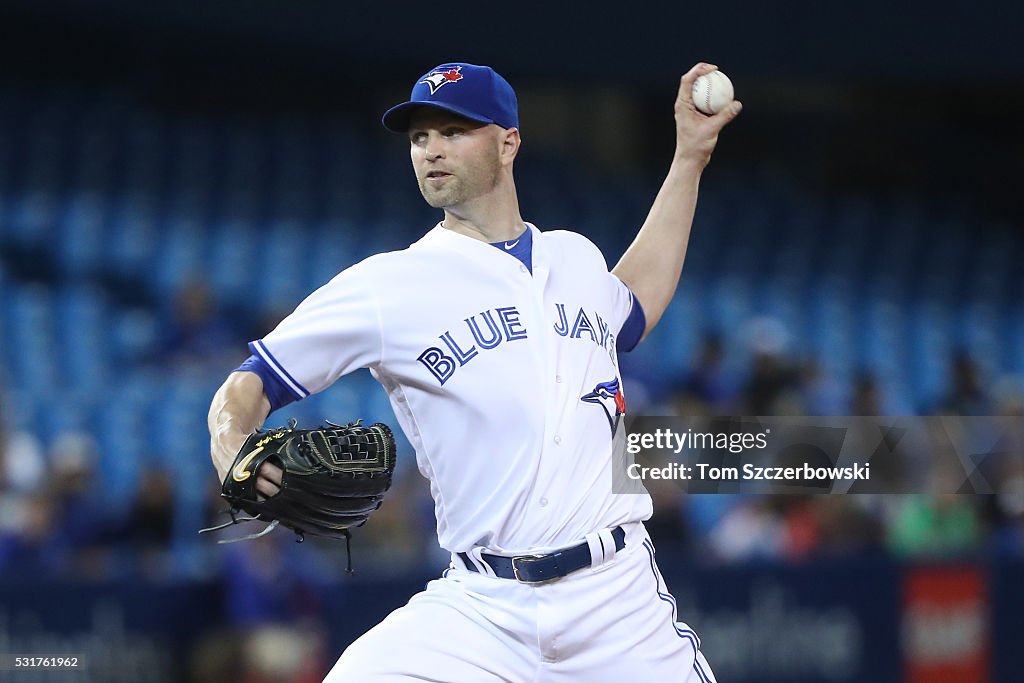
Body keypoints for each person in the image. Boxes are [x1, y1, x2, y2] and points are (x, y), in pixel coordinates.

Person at [208, 61, 740, 682]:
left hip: (617, 602)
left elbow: (636, 303)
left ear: (507, 141)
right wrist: (231, 448)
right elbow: (249, 383)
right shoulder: (390, 286)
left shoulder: (575, 258)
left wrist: (689, 160)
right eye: (418, 137)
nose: (431, 150)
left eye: (452, 131)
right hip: (483, 609)